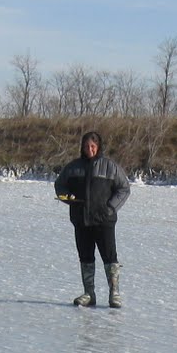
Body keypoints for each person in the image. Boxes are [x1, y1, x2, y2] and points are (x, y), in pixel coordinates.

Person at [53, 131, 131, 308]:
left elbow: (124, 188)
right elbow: (60, 185)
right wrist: (67, 198)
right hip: (81, 220)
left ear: (99, 147)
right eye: (87, 146)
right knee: (85, 257)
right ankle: (89, 293)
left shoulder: (110, 167)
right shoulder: (73, 167)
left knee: (109, 257)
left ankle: (114, 293)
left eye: (93, 146)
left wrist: (110, 208)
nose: (90, 149)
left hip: (104, 220)